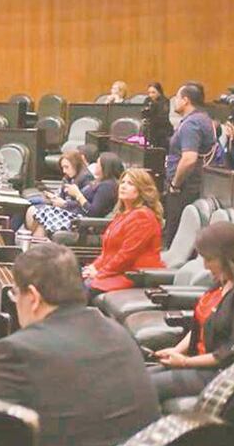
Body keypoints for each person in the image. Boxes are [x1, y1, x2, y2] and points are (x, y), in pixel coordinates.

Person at [0, 243, 159, 446]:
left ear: (33, 298)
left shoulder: (20, 349)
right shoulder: (116, 331)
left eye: (15, 294)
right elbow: (69, 374)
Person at [150, 222, 234, 400]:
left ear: (229, 257)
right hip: (200, 364)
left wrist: (186, 362)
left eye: (209, 259)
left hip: (225, 375)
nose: (205, 266)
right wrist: (177, 351)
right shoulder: (224, 281)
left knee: (143, 388)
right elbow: (202, 324)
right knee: (136, 378)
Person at [82, 168, 164, 296]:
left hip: (133, 275)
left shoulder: (142, 217)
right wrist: (94, 266)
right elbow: (108, 252)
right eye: (123, 182)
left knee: (81, 289)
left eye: (130, 184)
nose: (123, 186)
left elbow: (126, 256)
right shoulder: (124, 214)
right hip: (118, 272)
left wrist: (100, 273)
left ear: (142, 190)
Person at [163, 83, 217, 247]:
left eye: (177, 98)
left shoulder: (191, 124)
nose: (175, 101)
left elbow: (189, 159)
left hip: (184, 189)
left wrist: (175, 184)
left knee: (175, 239)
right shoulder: (203, 118)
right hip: (196, 184)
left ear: (186, 100)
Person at [28, 152, 121, 237]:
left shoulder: (107, 186)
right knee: (40, 212)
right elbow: (78, 203)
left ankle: (37, 242)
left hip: (81, 222)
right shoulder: (99, 182)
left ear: (105, 167)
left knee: (42, 212)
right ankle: (36, 242)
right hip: (75, 215)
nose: (95, 165)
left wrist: (77, 194)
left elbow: (93, 212)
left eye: (98, 164)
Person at [140, 82, 173, 149]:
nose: (151, 95)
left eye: (153, 92)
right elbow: (144, 113)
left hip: (163, 130)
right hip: (150, 128)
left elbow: (163, 117)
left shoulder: (165, 101)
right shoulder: (147, 100)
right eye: (149, 92)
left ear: (159, 92)